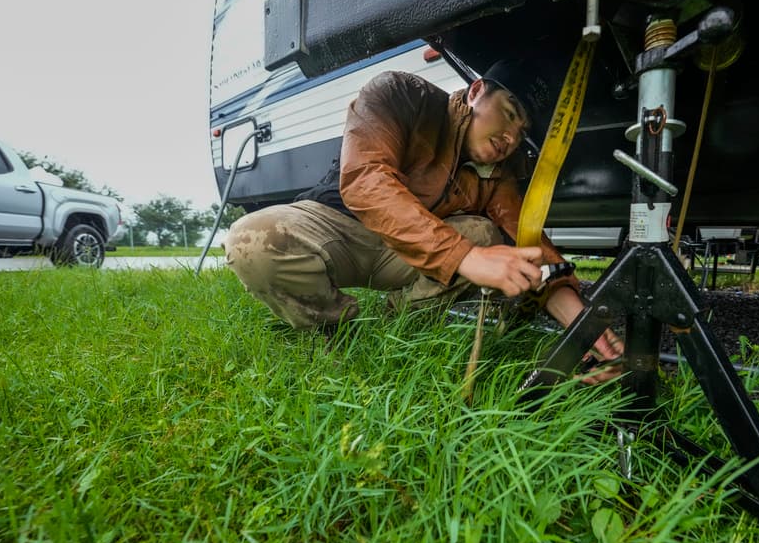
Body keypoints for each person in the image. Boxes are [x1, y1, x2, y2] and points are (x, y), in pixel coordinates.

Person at [223, 58, 623, 378]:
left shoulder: (500, 170)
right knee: (252, 239)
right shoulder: (399, 94)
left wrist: (579, 323)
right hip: (338, 226)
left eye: (522, 132)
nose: (511, 138)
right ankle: (331, 337)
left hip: (406, 254)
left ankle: (391, 328)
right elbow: (365, 180)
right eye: (509, 113)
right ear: (477, 91)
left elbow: (527, 238)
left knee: (486, 234)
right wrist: (465, 258)